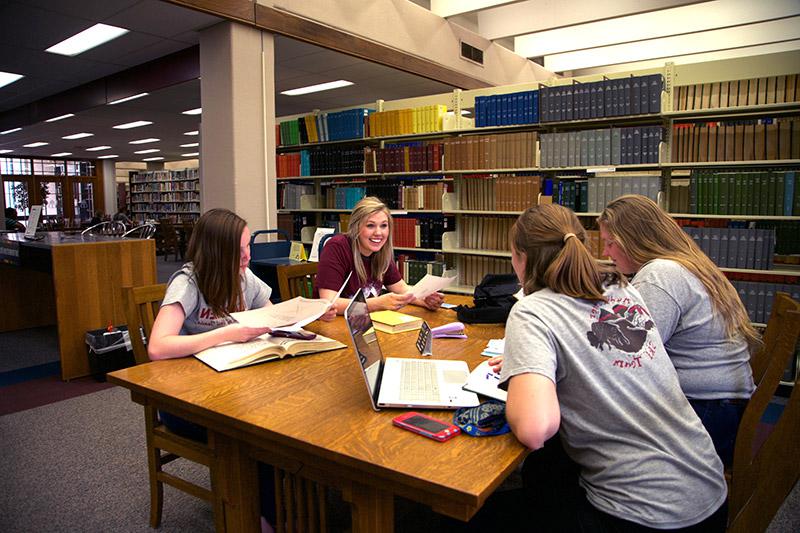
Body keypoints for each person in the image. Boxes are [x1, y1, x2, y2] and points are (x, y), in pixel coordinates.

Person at [486, 203, 727, 532]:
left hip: (640, 516)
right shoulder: (620, 288)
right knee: (548, 471)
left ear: (522, 259)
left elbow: (535, 429)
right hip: (708, 495)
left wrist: (518, 380)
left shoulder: (532, 310)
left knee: (517, 495)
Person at [148, 208, 316, 533]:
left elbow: (271, 316)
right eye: (238, 251)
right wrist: (225, 334)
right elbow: (157, 346)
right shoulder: (188, 282)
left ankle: (283, 508)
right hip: (184, 400)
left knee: (287, 415)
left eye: (248, 247)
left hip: (229, 385)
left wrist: (294, 327)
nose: (247, 257)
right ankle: (265, 518)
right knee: (261, 434)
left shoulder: (242, 276)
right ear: (215, 251)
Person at [598, 195, 757, 467]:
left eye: (610, 243)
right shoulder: (686, 263)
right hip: (725, 406)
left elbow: (626, 359)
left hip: (705, 415)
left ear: (633, 241)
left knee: (585, 428)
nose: (606, 253)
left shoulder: (660, 274)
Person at [315, 196, 444, 315]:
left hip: (365, 324)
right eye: (370, 225)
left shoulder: (381, 252)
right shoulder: (337, 247)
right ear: (356, 227)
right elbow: (328, 303)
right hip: (333, 326)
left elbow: (401, 289)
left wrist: (424, 300)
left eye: (384, 226)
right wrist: (376, 304)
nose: (379, 233)